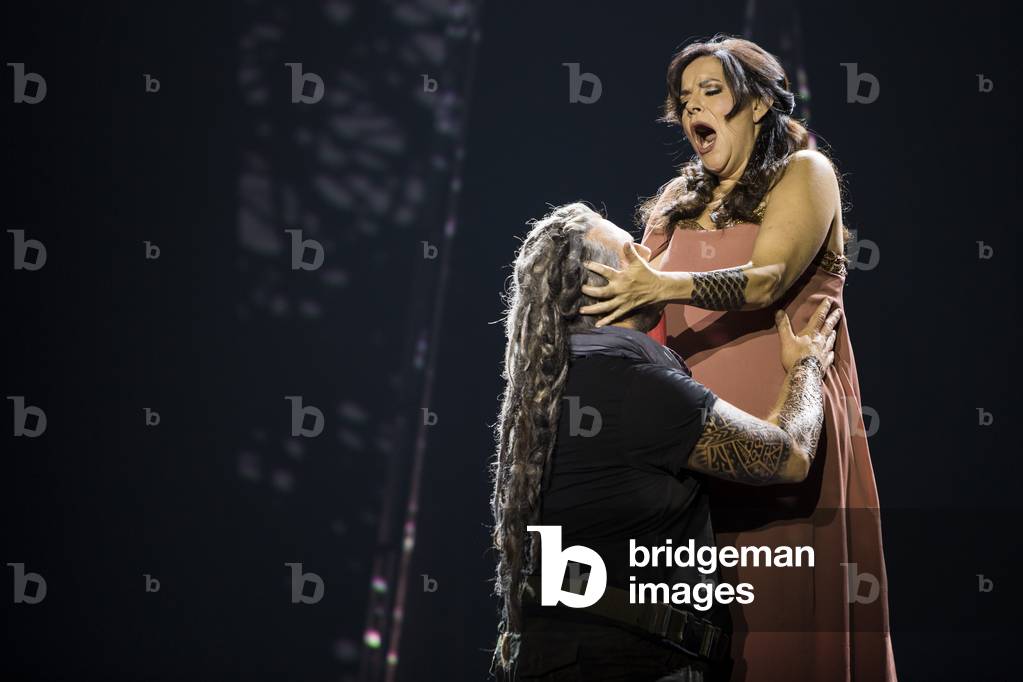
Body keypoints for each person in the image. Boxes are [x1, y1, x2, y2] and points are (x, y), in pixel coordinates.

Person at [578, 37, 896, 681]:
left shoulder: (805, 174)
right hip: (697, 436)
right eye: (684, 98)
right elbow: (636, 308)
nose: (693, 105)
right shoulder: (676, 201)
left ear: (755, 103)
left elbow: (769, 278)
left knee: (784, 618)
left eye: (710, 91)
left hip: (789, 415)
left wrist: (666, 285)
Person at [489, 203, 840, 681]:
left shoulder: (549, 390)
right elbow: (790, 456)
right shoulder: (633, 385)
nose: (651, 263)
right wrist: (807, 367)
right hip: (632, 664)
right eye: (633, 252)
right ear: (597, 288)